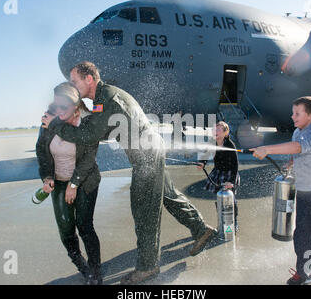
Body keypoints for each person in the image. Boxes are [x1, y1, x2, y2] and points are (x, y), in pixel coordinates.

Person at [42, 61, 217, 285]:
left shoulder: (107, 99)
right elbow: (102, 129)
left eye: (75, 81)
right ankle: (201, 230)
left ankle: (148, 267)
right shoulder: (102, 99)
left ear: (89, 79)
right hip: (152, 151)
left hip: (146, 157)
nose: (73, 86)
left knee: (143, 210)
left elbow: (89, 135)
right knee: (168, 196)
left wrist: (55, 125)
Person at [250, 96, 311, 285]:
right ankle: (305, 272)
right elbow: (297, 152)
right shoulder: (298, 131)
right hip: (304, 190)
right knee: (302, 233)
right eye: (293, 112)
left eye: (297, 113)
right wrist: (292, 162)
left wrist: (267, 149)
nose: (292, 116)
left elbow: (301, 147)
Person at [36, 82, 102, 285]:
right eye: (57, 105)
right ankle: (82, 268)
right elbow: (41, 150)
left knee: (84, 225)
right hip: (59, 181)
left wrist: (74, 185)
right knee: (65, 230)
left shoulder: (88, 122)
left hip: (85, 180)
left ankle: (95, 272)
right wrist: (47, 178)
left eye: (64, 106)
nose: (59, 110)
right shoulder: (49, 121)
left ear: (75, 105)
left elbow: (88, 159)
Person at [197, 121, 240, 231]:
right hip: (218, 172)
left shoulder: (230, 145)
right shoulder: (212, 142)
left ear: (225, 133)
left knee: (231, 198)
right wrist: (202, 162)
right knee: (220, 197)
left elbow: (235, 165)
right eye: (214, 129)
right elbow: (205, 153)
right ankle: (222, 220)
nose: (216, 131)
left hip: (230, 173)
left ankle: (234, 221)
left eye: (219, 130)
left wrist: (231, 181)